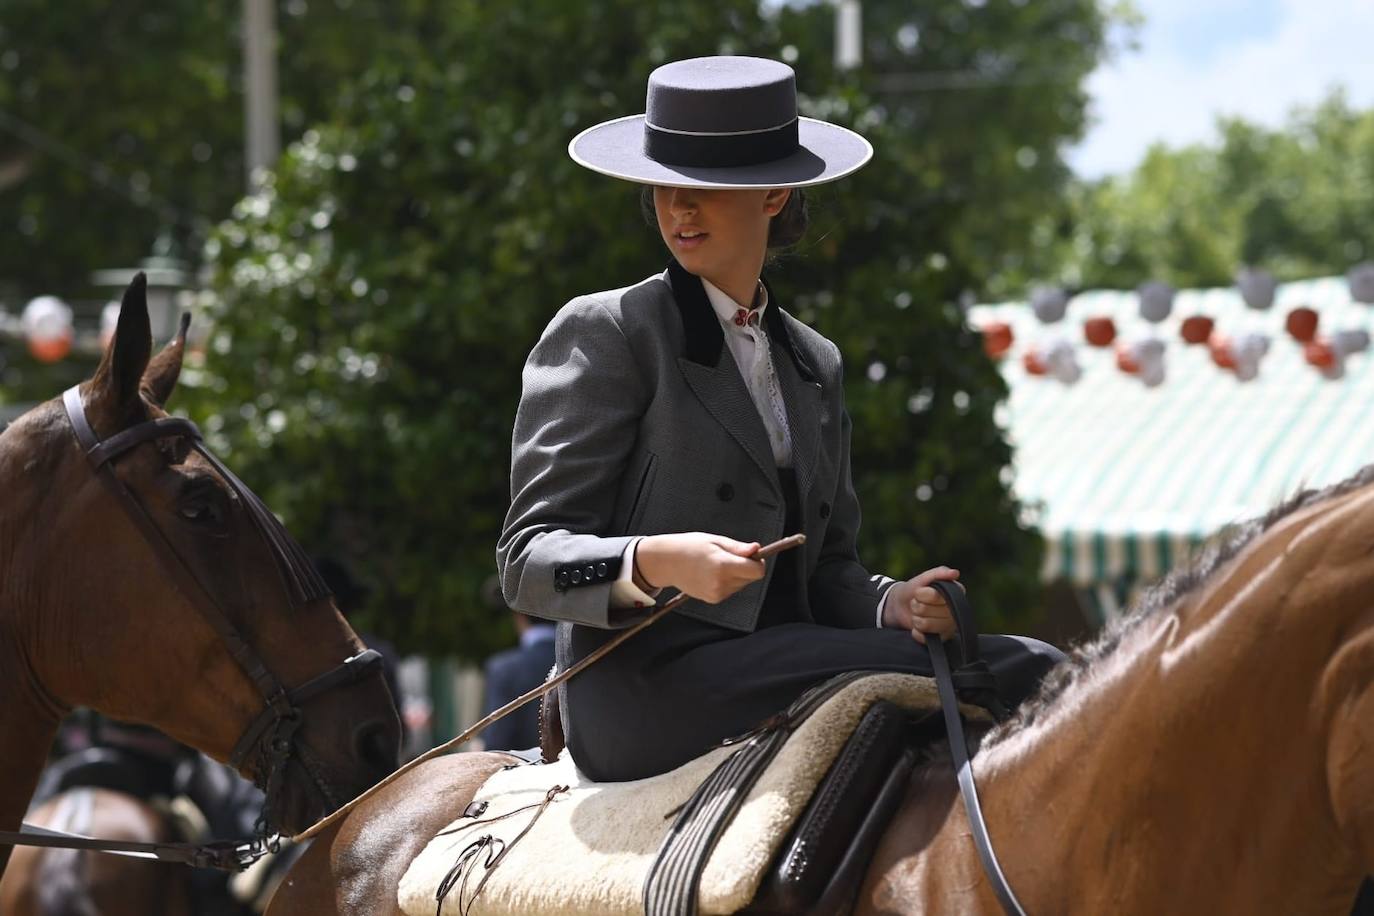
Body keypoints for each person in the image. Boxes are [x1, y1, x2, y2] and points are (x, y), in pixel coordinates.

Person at [497, 55, 1064, 783]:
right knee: (1019, 665)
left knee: (1016, 660)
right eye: (667, 184)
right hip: (648, 688)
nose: (680, 207)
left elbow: (829, 572)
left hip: (787, 656)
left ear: (774, 192)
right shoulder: (608, 331)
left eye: (706, 186)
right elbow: (527, 561)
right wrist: (655, 561)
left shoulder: (813, 361)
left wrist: (894, 603)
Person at [480, 610, 557, 752]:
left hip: (523, 770)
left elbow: (497, 742)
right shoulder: (583, 662)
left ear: (519, 617)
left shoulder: (504, 668)